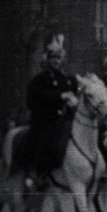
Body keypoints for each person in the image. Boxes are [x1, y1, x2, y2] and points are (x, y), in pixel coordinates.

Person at [23, 33, 80, 184]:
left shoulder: (68, 79)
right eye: (53, 58)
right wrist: (59, 97)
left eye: (58, 58)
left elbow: (76, 94)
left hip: (66, 119)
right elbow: (36, 97)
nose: (56, 61)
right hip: (46, 119)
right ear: (48, 60)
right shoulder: (41, 79)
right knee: (45, 137)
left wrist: (74, 100)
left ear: (62, 60)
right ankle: (41, 173)